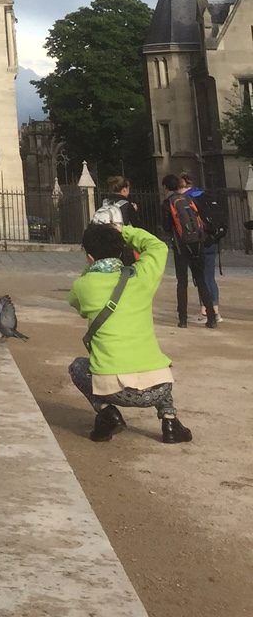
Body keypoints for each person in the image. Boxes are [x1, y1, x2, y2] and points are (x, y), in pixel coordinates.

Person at [67, 219, 191, 445]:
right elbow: (158, 247)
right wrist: (124, 230)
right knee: (156, 361)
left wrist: (91, 266)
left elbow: (76, 303)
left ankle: (107, 413)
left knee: (77, 367)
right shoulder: (142, 277)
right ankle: (170, 421)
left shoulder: (83, 286)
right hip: (159, 388)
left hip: (114, 389)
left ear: (90, 257)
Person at [161, 173, 215, 327]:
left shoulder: (167, 203)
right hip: (197, 243)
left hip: (180, 246)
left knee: (182, 282)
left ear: (166, 187)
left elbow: (166, 227)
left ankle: (183, 320)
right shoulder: (190, 199)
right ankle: (211, 317)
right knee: (201, 280)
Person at [179, 172, 224, 324]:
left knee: (200, 277)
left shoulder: (187, 199)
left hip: (199, 241)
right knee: (209, 277)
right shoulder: (203, 194)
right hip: (213, 240)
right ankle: (216, 311)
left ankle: (205, 311)